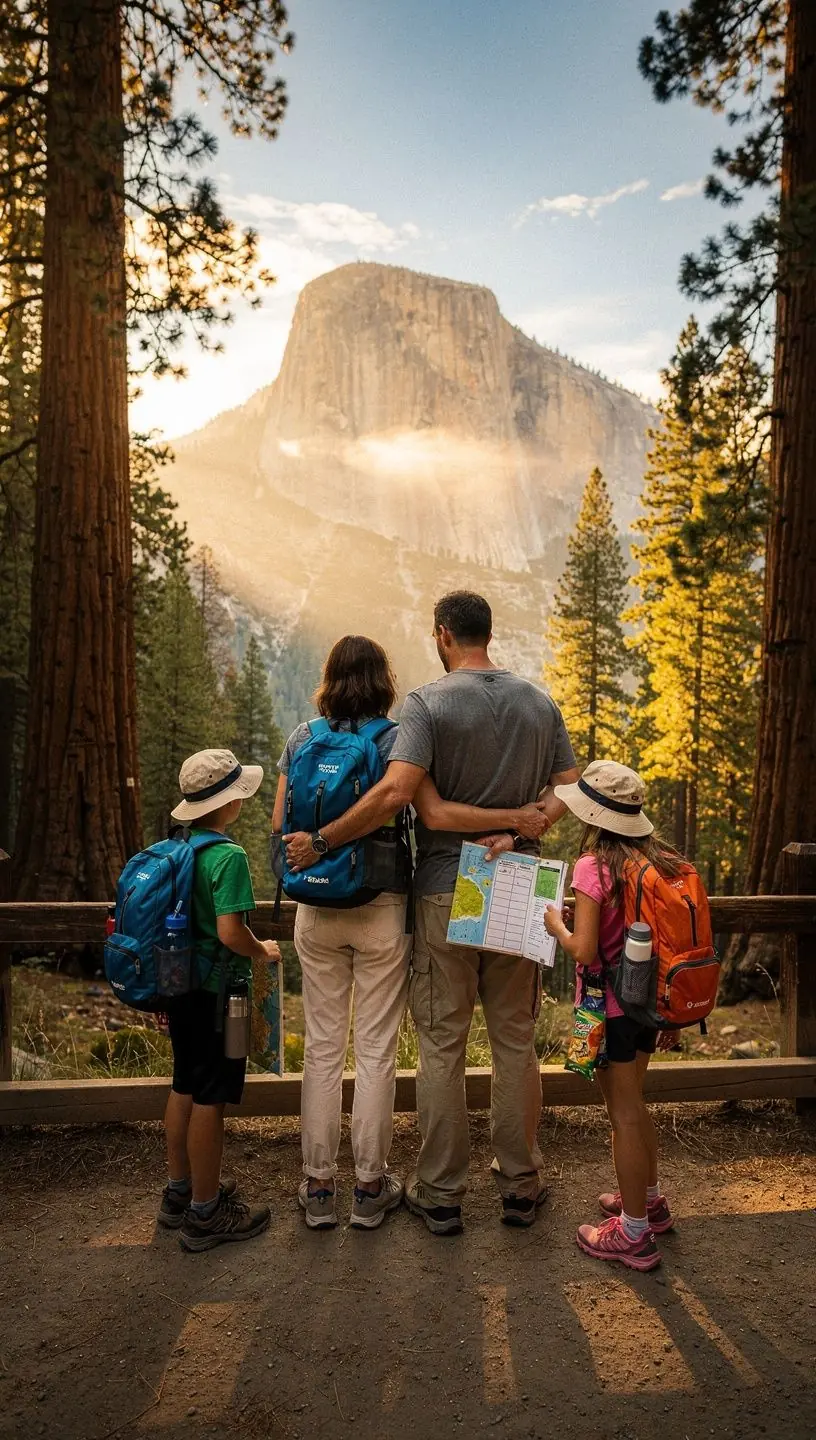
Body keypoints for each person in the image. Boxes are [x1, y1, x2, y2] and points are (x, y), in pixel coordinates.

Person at [284, 593, 579, 1235]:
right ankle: (521, 1186)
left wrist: (325, 842)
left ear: (445, 636)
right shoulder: (538, 700)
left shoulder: (426, 704)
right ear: (487, 634)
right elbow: (569, 784)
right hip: (521, 881)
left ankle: (442, 1193)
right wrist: (524, 823)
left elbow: (428, 809)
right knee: (515, 1039)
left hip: (449, 883)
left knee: (443, 1041)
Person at [542, 760, 681, 1272]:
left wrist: (557, 922)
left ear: (592, 815)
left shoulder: (591, 867)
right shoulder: (654, 862)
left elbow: (583, 950)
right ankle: (650, 1202)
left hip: (608, 1005)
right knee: (634, 1104)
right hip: (645, 1006)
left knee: (621, 1114)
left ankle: (633, 1235)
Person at [159, 749, 281, 1252]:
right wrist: (263, 950)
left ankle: (180, 1193)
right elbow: (232, 932)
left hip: (180, 986)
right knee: (212, 1096)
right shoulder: (227, 857)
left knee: (184, 1083)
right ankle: (206, 1214)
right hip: (217, 993)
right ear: (227, 804)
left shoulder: (176, 847)